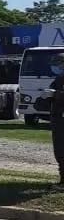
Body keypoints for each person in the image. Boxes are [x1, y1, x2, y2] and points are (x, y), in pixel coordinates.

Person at [46, 55, 64, 187]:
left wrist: (56, 94)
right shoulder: (59, 79)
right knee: (59, 152)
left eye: (60, 64)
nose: (58, 67)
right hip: (58, 119)